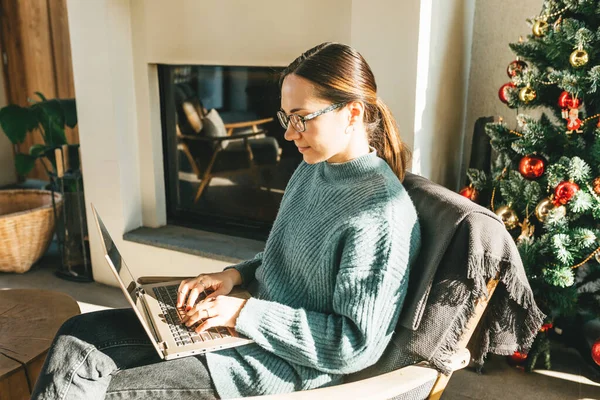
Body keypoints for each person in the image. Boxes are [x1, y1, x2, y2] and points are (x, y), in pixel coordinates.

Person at [31, 42, 421, 400]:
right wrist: (233, 277)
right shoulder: (313, 169)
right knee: (78, 335)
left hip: (277, 365)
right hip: (239, 326)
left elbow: (353, 345)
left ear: (352, 112)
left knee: (109, 390)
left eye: (302, 118)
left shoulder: (380, 214)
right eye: (286, 117)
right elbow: (283, 256)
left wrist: (240, 313)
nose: (288, 134)